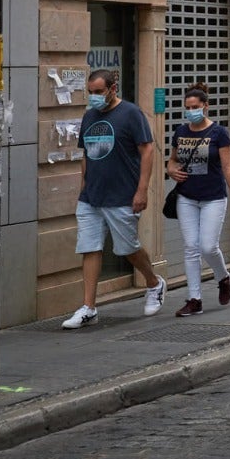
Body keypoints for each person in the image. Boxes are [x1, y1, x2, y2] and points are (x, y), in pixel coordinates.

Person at [62, 70, 166, 329]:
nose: (94, 97)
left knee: (127, 249)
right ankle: (89, 308)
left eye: (99, 92)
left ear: (112, 88)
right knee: (90, 247)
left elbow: (148, 150)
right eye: (91, 93)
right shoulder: (89, 116)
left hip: (122, 195)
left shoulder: (131, 113)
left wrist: (142, 190)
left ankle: (154, 283)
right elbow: (86, 153)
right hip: (91, 197)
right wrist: (83, 186)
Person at [166, 84, 230, 316]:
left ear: (206, 107)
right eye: (188, 107)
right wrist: (171, 170)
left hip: (213, 197)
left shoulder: (218, 133)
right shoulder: (180, 132)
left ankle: (223, 277)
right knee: (191, 247)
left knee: (208, 246)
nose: (191, 111)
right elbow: (171, 160)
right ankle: (194, 299)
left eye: (196, 107)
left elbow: (228, 168)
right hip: (187, 196)